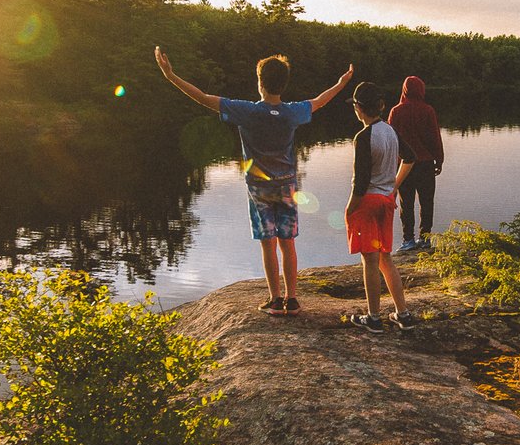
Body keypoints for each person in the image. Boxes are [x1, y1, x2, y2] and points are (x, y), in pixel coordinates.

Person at [155, 47, 353, 313]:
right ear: (284, 84)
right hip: (287, 185)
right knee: (287, 243)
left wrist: (171, 77)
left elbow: (202, 98)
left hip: (259, 189)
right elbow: (320, 100)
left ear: (260, 83)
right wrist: (341, 83)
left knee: (268, 243)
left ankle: (275, 299)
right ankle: (292, 299)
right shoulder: (292, 112)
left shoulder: (246, 111)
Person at [344, 80, 412, 329]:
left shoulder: (363, 137)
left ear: (359, 109)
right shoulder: (391, 131)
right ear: (381, 106)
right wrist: (394, 186)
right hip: (386, 202)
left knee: (370, 261)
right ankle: (402, 314)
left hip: (368, 203)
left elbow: (360, 182)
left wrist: (350, 209)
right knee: (385, 258)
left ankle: (373, 318)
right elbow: (410, 157)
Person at [388, 75, 444, 250]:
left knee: (407, 203)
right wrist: (439, 159)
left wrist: (391, 166)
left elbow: (391, 141)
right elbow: (434, 138)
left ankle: (408, 240)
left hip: (405, 165)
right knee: (427, 202)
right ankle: (425, 238)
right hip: (426, 163)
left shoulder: (396, 111)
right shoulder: (428, 111)